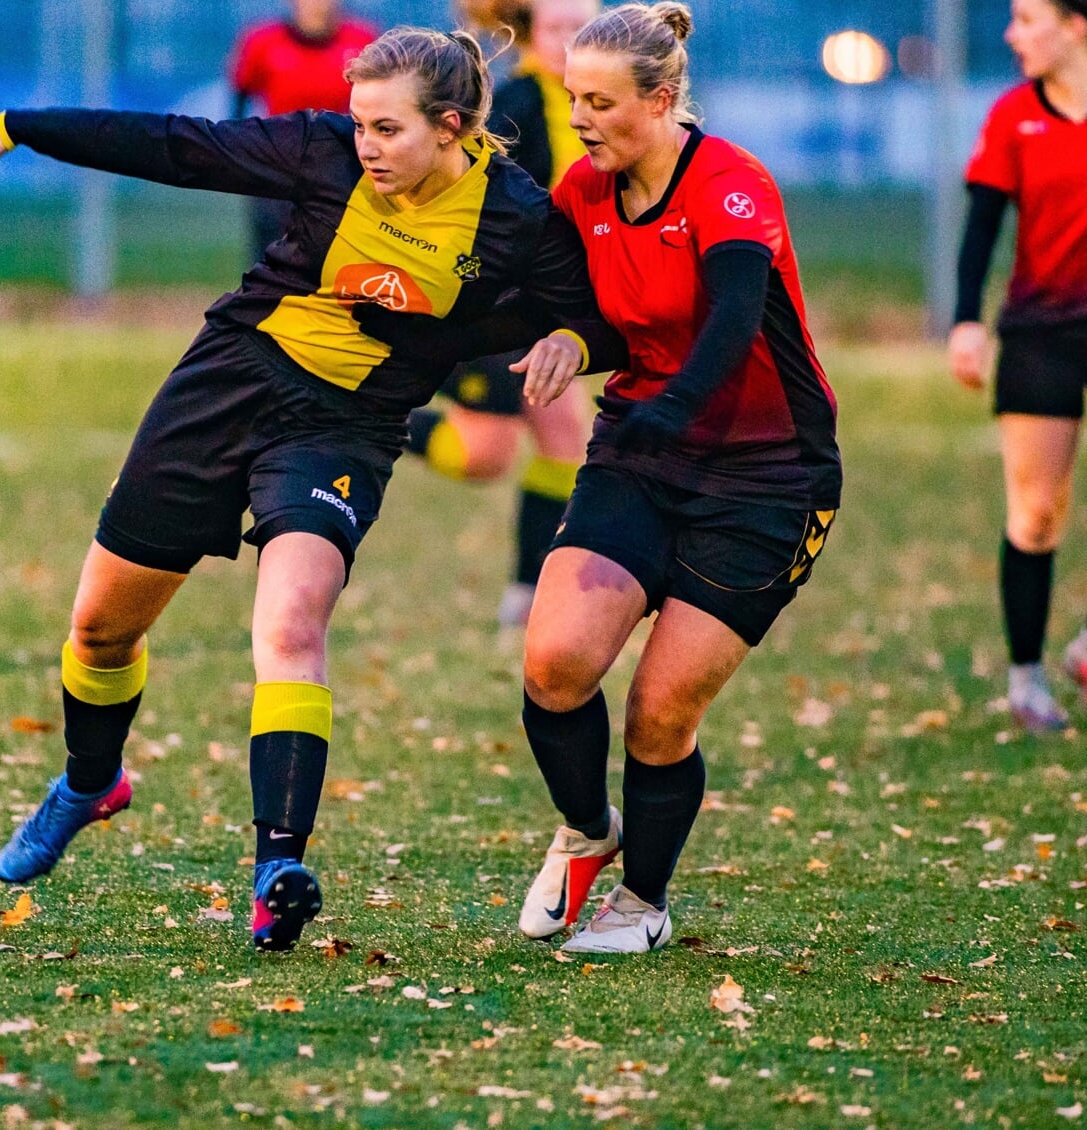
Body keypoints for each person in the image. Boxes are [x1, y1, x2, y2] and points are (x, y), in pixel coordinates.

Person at [0, 26, 623, 953]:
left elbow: (606, 308)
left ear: (454, 127)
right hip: (230, 380)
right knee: (103, 629)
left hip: (342, 430)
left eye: (388, 129)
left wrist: (577, 342)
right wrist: (21, 124)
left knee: (291, 624)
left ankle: (278, 869)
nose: (367, 145)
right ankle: (89, 780)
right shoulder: (320, 149)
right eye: (359, 125)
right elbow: (178, 147)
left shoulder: (515, 217)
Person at [509, 1, 841, 953]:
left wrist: (667, 409)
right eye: (574, 98)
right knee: (555, 661)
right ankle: (586, 832)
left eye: (602, 103)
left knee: (660, 712)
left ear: (660, 100)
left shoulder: (732, 184)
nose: (580, 120)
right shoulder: (584, 189)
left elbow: (734, 319)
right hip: (642, 456)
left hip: (771, 478)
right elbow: (611, 317)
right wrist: (574, 340)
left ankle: (643, 902)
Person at [403, 0, 599, 632]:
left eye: (584, 32)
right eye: (558, 31)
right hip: (494, 302)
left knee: (566, 440)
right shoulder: (513, 106)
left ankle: (527, 594)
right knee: (484, 455)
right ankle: (377, 411)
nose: (571, 44)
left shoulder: (604, 108)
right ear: (531, 36)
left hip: (544, 307)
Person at [947, 0, 1087, 733]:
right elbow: (981, 227)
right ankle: (1028, 680)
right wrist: (967, 320)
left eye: (1026, 18)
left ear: (1076, 25)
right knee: (1036, 513)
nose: (1011, 34)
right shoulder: (1012, 117)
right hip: (1042, 332)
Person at [229, 0, 378, 263]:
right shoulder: (262, 41)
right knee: (269, 245)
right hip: (277, 157)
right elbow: (241, 95)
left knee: (335, 245)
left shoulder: (362, 40)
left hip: (339, 159)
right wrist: (238, 150)